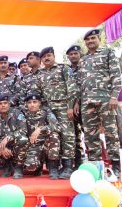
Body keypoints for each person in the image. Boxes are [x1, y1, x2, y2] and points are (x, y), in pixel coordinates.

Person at [77, 29, 122, 177]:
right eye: (87, 39)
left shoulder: (108, 53)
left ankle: (115, 165)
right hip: (87, 102)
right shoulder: (83, 59)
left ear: (99, 39)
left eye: (93, 38)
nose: (90, 41)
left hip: (106, 100)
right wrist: (78, 101)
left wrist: (114, 96)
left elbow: (116, 75)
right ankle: (95, 167)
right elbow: (79, 83)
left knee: (111, 133)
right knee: (90, 136)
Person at [40, 46, 77, 179]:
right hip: (48, 109)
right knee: (52, 135)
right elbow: (39, 94)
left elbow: (72, 88)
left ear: (54, 56)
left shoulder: (63, 68)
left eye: (49, 55)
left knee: (68, 135)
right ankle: (53, 167)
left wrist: (70, 107)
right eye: (44, 57)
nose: (46, 58)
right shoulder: (40, 73)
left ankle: (67, 167)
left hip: (63, 106)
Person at [0, 94, 29, 179]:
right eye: (0, 104)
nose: (3, 105)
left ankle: (18, 167)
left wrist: (8, 137)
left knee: (23, 139)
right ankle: (6, 166)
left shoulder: (17, 113)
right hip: (3, 148)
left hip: (16, 146)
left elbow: (23, 130)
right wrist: (1, 147)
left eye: (5, 103)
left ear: (9, 104)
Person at [23, 94, 61, 179]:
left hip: (47, 144)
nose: (32, 104)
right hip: (34, 145)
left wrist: (41, 129)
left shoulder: (46, 112)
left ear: (39, 103)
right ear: (26, 104)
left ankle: (53, 167)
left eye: (35, 102)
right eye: (29, 102)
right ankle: (38, 166)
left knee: (54, 135)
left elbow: (57, 127)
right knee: (30, 166)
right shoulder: (24, 114)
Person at [66, 45, 85, 169]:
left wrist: (78, 101)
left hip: (85, 105)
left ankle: (95, 162)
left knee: (88, 134)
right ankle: (77, 162)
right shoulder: (67, 70)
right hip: (70, 107)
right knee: (74, 134)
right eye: (71, 54)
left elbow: (85, 87)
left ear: (80, 54)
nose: (73, 56)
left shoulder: (86, 67)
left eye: (75, 53)